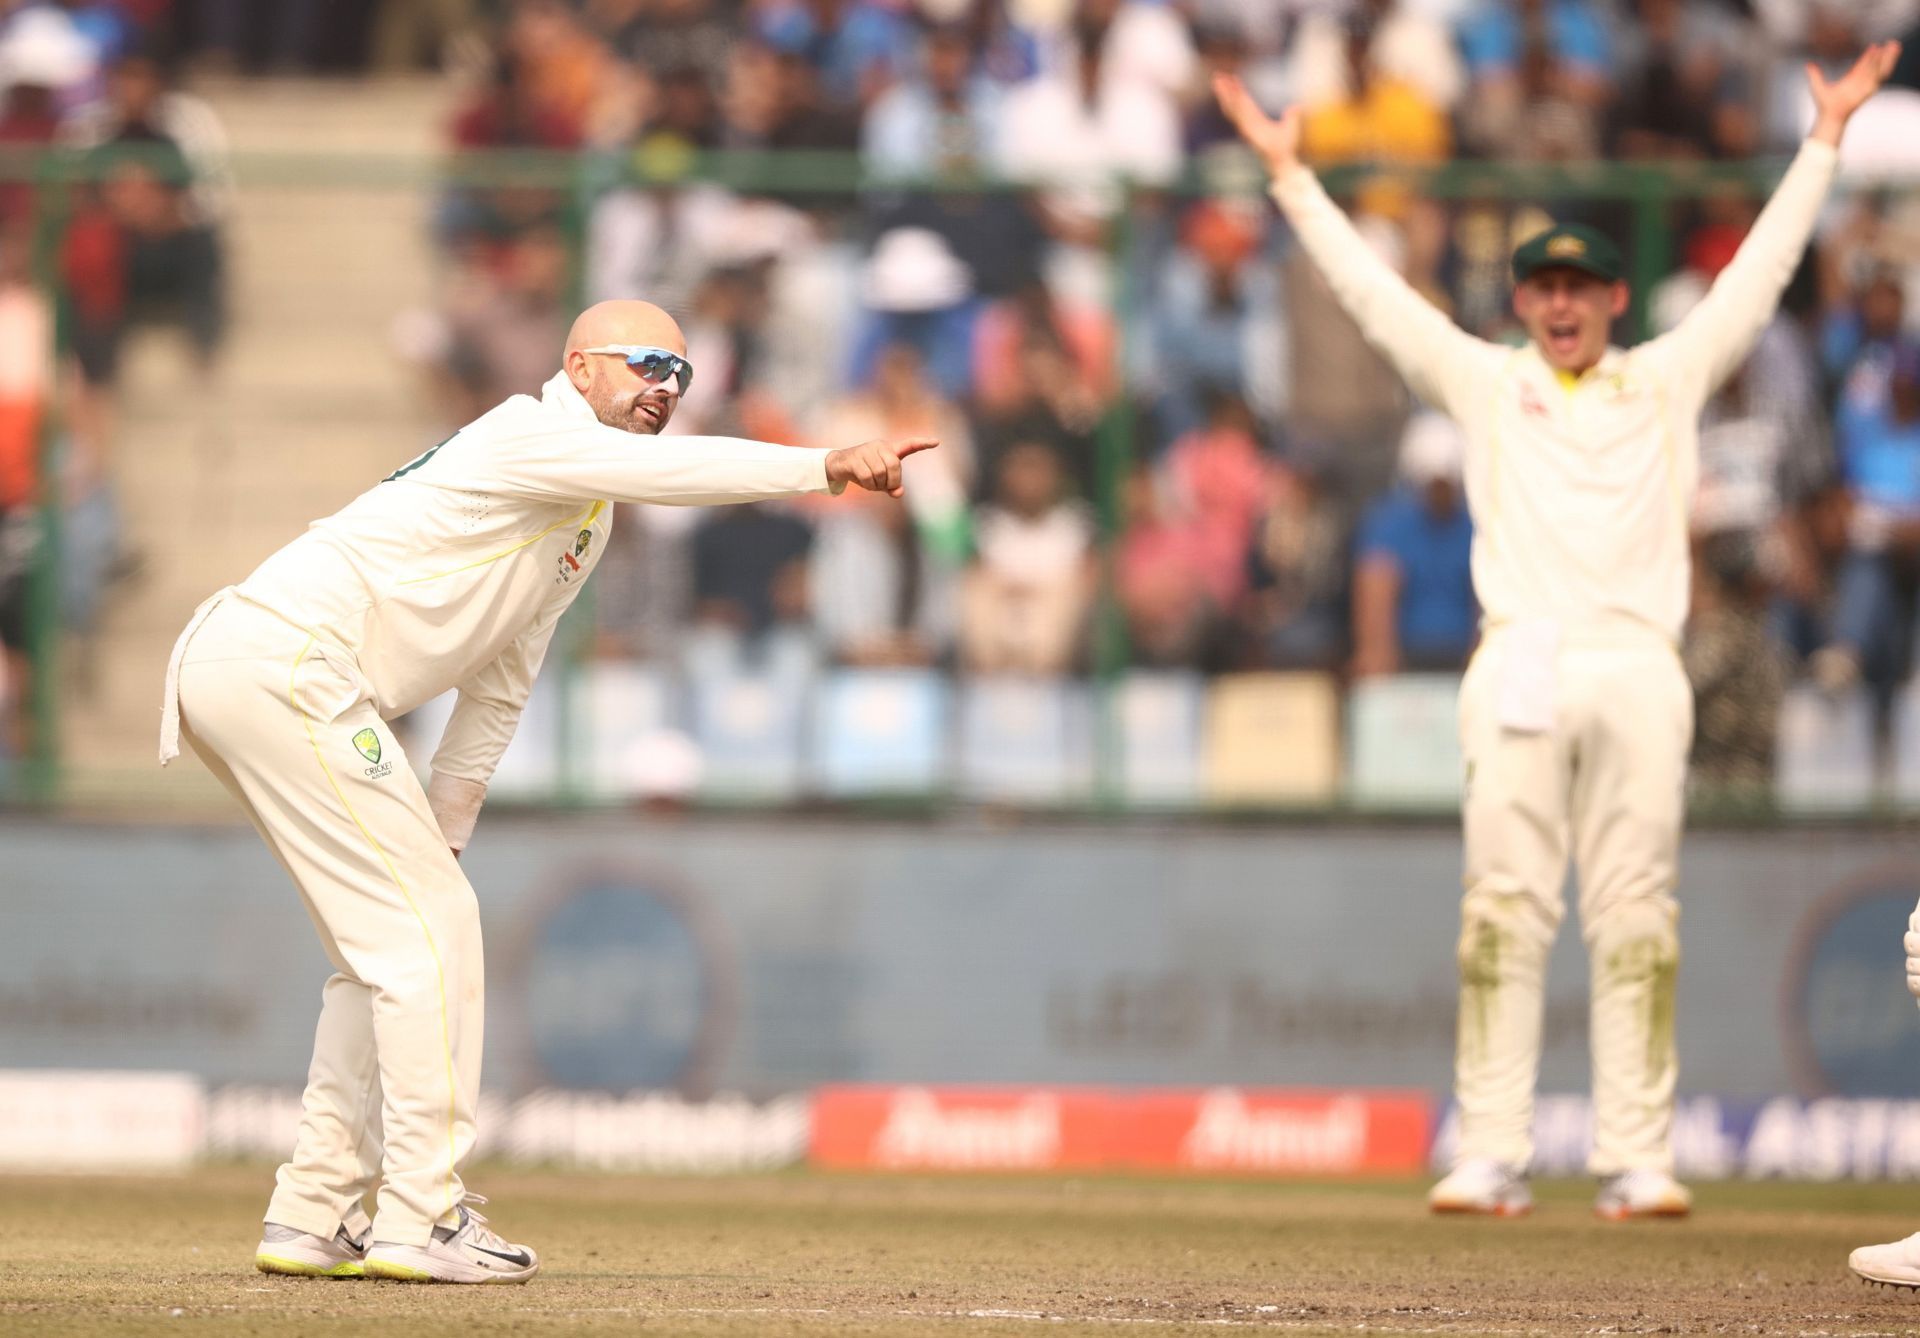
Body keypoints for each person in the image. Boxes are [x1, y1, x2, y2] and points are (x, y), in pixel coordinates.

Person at [1215, 42, 1898, 1221]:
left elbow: (1760, 278)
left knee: (1636, 914)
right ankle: (1491, 1152)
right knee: (1502, 908)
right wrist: (1291, 179)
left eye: (1583, 285)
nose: (1565, 303)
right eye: (1545, 288)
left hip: (1639, 662)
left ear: (1616, 298)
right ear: (1523, 301)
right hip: (1520, 658)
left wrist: (1824, 139)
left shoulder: (1666, 380)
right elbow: (1377, 304)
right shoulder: (1487, 383)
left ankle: (1636, 1157)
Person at [155, 300, 935, 1284]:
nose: (666, 388)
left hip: (266, 669)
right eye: (648, 363)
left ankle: (312, 1212)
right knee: (429, 931)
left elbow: (503, 674)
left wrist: (449, 818)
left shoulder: (584, 517)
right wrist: (821, 465)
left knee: (385, 946)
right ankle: (422, 1216)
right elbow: (672, 475)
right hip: (285, 660)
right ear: (578, 364)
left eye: (683, 376)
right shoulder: (535, 435)